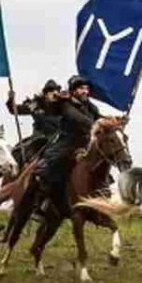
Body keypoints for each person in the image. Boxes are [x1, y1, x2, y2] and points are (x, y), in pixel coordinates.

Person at [31, 75, 103, 214]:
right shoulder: (66, 104)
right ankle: (40, 199)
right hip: (68, 143)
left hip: (85, 143)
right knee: (52, 165)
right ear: (74, 90)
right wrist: (97, 124)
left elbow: (98, 117)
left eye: (87, 88)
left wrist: (114, 120)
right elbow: (77, 118)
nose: (85, 91)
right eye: (82, 88)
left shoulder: (89, 105)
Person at [5, 79, 64, 165]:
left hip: (59, 139)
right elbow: (15, 110)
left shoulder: (64, 106)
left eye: (56, 91)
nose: (54, 94)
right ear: (46, 94)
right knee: (24, 155)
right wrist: (11, 100)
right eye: (50, 91)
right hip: (40, 138)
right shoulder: (36, 105)